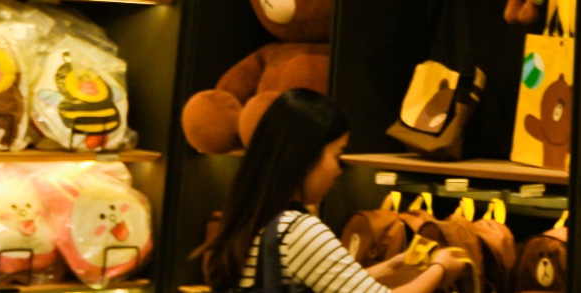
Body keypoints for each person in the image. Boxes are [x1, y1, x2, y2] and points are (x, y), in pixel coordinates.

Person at [195, 89, 469, 292]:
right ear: (306, 156)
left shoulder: (256, 217)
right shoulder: (298, 230)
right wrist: (441, 268)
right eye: (337, 155)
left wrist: (391, 267)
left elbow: (327, 282)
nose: (338, 171)